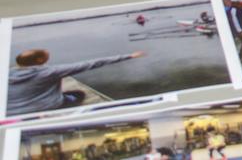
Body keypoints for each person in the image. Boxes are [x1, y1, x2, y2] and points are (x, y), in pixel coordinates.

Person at [6, 49, 144, 115]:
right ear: (39, 61)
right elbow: (94, 63)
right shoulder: (50, 72)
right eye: (45, 55)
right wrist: (129, 56)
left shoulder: (8, 73)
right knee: (78, 94)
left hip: (12, 109)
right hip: (44, 108)